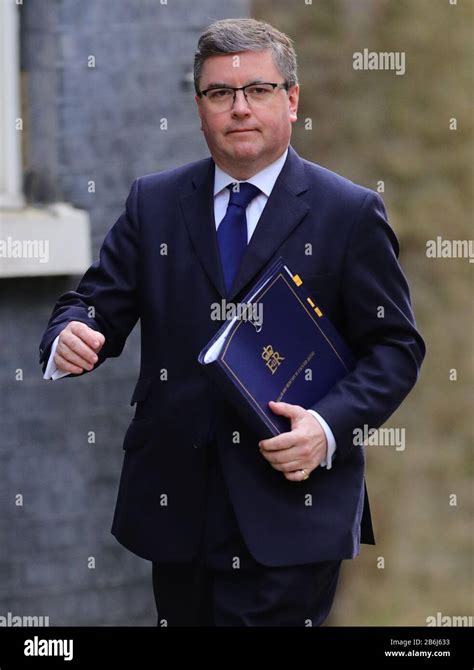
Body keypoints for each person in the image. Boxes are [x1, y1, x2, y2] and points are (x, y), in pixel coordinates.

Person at [39, 18, 425, 626]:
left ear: (292, 100)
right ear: (199, 107)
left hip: (292, 509)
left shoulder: (349, 213)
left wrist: (327, 428)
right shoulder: (154, 202)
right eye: (220, 93)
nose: (239, 108)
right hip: (176, 513)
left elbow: (397, 348)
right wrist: (69, 336)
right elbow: (89, 306)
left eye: (259, 91)